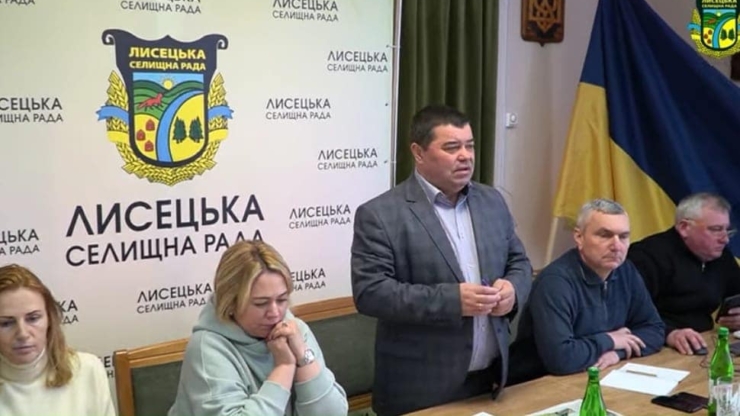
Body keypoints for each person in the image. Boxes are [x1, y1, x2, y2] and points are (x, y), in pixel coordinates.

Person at [351, 104, 533, 416]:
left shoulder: (492, 201)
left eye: (469, 146)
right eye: (451, 148)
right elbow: (371, 293)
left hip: (489, 382)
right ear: (418, 153)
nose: (465, 156)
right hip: (420, 391)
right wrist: (453, 301)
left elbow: (519, 262)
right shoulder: (380, 215)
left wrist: (513, 290)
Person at [168, 240, 348, 416]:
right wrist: (284, 367)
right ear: (230, 303)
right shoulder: (207, 348)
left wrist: (303, 357)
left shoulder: (295, 330)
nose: (275, 313)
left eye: (282, 300)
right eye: (261, 303)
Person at [509, 199, 664, 384]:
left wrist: (617, 353)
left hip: (599, 375)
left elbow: (655, 330)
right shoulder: (555, 282)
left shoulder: (625, 270)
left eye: (623, 237)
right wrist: (610, 340)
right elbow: (561, 359)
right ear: (579, 237)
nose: (617, 246)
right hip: (539, 384)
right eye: (605, 235)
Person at [627, 192, 740, 355]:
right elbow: (630, 312)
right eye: (715, 230)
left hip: (704, 341)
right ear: (684, 228)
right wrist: (669, 333)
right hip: (656, 346)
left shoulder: (720, 255)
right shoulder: (646, 256)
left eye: (726, 230)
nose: (725, 239)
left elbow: (736, 295)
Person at [0, 264, 115, 416]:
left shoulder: (89, 370)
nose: (23, 334)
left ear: (50, 319)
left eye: (33, 318)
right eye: (6, 323)